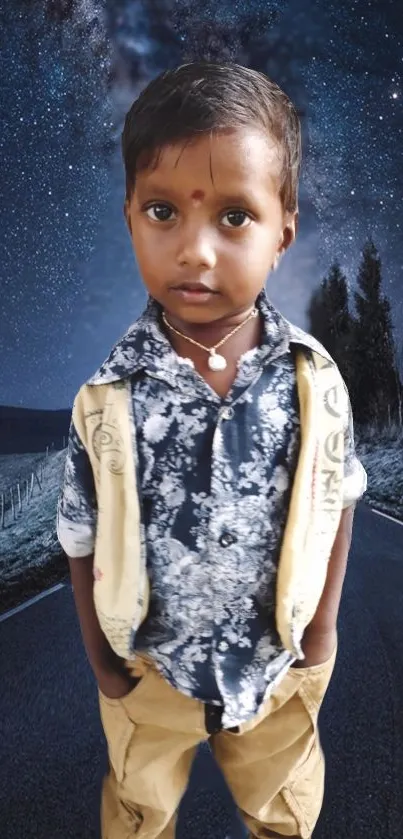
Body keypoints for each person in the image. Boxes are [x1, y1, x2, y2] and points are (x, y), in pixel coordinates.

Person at [57, 61, 367, 839]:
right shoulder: (105, 397)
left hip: (277, 664)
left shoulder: (314, 381)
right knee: (138, 811)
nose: (195, 250)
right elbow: (79, 532)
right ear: (130, 216)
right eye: (164, 210)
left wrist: (321, 629)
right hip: (149, 672)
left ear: (282, 230)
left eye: (233, 216)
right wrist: (101, 659)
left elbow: (338, 499)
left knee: (284, 811)